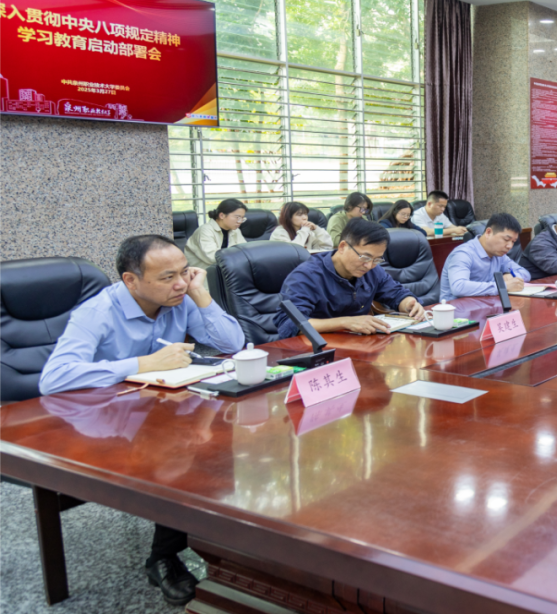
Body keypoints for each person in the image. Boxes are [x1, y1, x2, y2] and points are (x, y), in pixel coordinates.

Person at [39, 235, 245, 606]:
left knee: (220, 444)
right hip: (97, 422)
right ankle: (163, 558)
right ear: (131, 280)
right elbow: (53, 378)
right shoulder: (97, 312)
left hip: (155, 410)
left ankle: (224, 549)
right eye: (167, 277)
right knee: (179, 460)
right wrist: (141, 364)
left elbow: (233, 344)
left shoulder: (181, 299)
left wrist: (201, 294)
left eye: (184, 272)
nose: (180, 284)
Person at [274, 218, 427, 337]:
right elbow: (289, 325)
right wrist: (345, 322)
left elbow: (396, 294)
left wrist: (408, 303)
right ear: (342, 247)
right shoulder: (306, 276)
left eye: (377, 259)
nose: (369, 265)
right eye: (365, 257)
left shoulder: (372, 270)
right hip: (315, 350)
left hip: (358, 345)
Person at [440, 213, 530, 301]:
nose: (510, 246)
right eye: (506, 239)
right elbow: (459, 287)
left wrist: (509, 276)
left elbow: (525, 274)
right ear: (488, 232)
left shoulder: (499, 255)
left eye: (513, 241)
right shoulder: (463, 254)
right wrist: (502, 286)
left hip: (485, 304)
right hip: (457, 308)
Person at [184, 198, 247, 269]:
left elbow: (245, 251)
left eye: (242, 218)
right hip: (204, 273)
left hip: (226, 270)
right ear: (222, 215)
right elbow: (213, 258)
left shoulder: (235, 230)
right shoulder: (205, 230)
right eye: (237, 217)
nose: (240, 221)